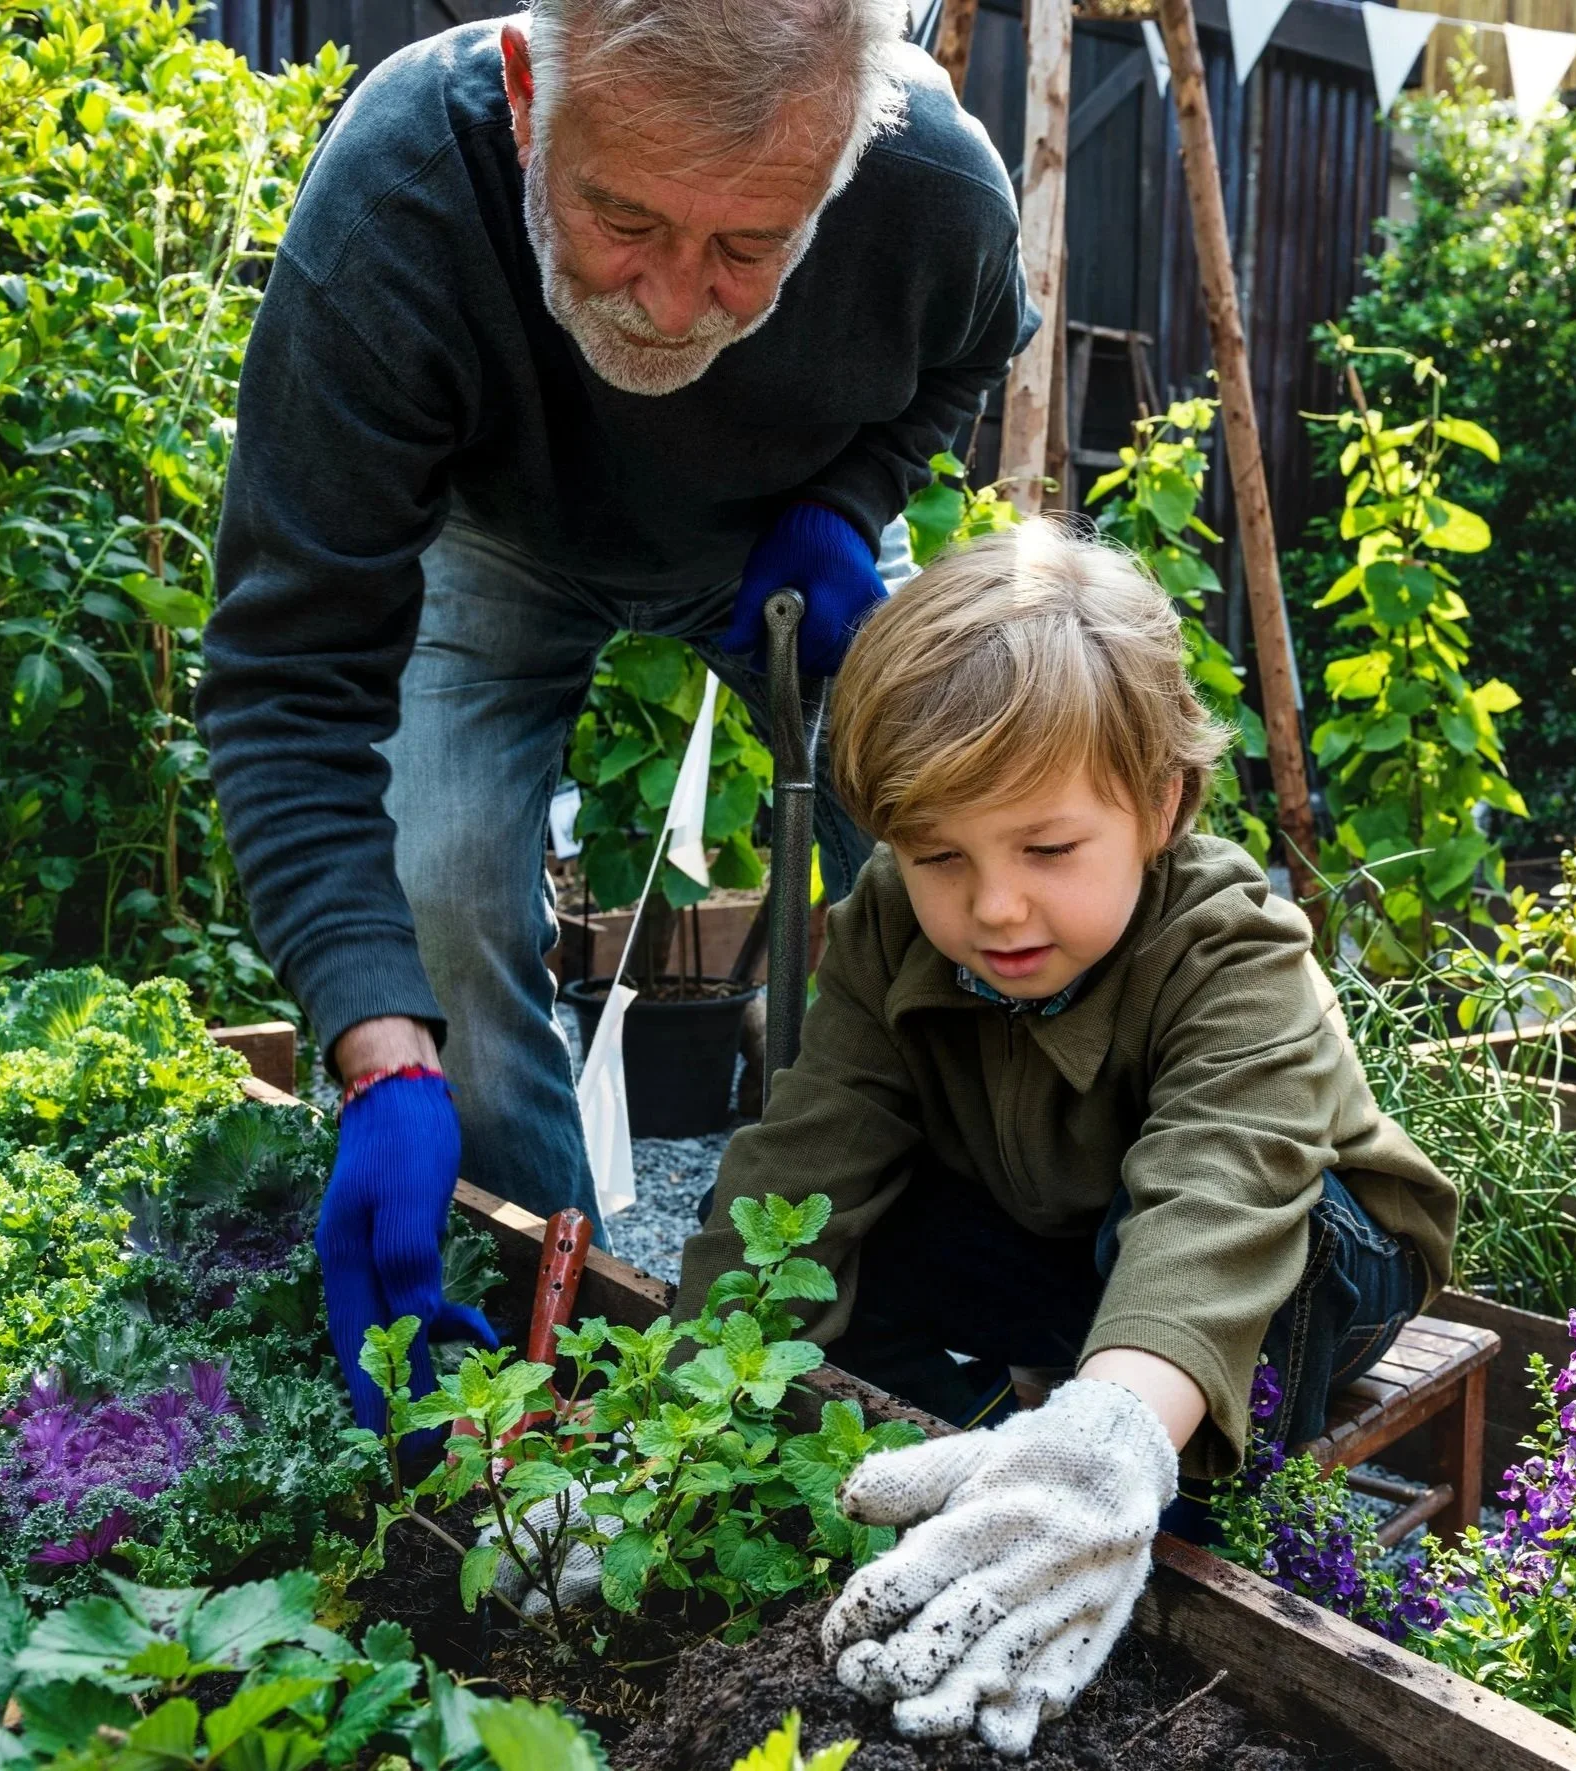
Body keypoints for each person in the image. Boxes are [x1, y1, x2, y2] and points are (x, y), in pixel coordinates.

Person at [194, 0, 1035, 1425]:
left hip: (782, 540)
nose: (665, 298)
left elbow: (964, 354)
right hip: (494, 540)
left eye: (747, 248)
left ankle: (984, 1284)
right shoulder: (402, 193)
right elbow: (290, 675)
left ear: (841, 162)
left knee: (968, 847)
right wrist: (380, 1048)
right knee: (439, 911)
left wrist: (844, 506)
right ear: (529, 95)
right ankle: (554, 1343)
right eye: (621, 217)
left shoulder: (930, 184)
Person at [673, 520, 1458, 1753]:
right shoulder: (892, 925)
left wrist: (1110, 1446)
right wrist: (675, 1424)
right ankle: (980, 1456)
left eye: (1046, 848)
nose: (992, 904)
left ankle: (1166, 1507)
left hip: (1298, 1249)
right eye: (938, 855)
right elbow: (804, 1157)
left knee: (1272, 1250)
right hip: (1058, 1226)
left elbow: (1217, 1193)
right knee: (836, 1237)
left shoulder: (1230, 945)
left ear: (1159, 804)